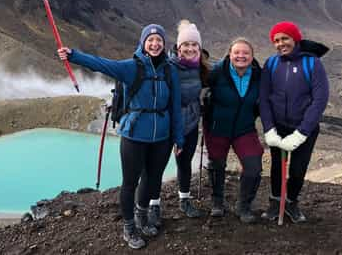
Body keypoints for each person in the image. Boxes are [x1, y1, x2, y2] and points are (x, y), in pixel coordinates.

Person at [57, 24, 183, 250]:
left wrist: (179, 138)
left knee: (153, 179)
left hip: (162, 137)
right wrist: (73, 55)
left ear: (164, 44)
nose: (155, 44)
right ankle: (129, 226)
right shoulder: (130, 67)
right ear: (143, 43)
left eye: (159, 40)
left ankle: (141, 217)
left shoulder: (169, 70)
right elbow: (102, 64)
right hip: (134, 135)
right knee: (130, 182)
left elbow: (175, 106)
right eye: (150, 40)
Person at [259, 21, 329, 223]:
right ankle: (275, 202)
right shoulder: (271, 64)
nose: (281, 44)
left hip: (304, 128)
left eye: (285, 39)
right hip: (278, 126)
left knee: (298, 168)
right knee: (276, 167)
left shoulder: (312, 63)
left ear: (295, 39)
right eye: (276, 40)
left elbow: (320, 99)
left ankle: (291, 202)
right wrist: (269, 128)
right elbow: (263, 98)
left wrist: (302, 132)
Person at [141, 20, 209, 224]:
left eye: (194, 45)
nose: (190, 48)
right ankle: (153, 204)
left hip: (190, 124)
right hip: (166, 124)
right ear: (178, 47)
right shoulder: (167, 66)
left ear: (199, 47)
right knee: (157, 165)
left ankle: (184, 200)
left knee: (184, 163)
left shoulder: (204, 68)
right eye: (185, 45)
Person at [202, 38, 263, 223]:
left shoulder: (258, 75)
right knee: (217, 165)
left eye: (245, 53)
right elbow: (194, 83)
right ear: (230, 54)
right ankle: (217, 202)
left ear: (252, 57)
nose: (241, 56)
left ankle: (243, 206)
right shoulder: (216, 72)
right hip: (217, 128)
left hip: (244, 129)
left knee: (253, 166)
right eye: (237, 52)